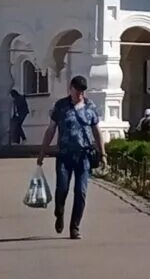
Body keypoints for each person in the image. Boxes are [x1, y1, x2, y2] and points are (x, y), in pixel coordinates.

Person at [36, 75, 103, 238]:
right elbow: (51, 130)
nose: (80, 93)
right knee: (62, 189)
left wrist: (103, 153)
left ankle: (75, 227)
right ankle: (59, 213)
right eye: (77, 90)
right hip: (64, 155)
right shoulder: (61, 106)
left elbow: (96, 130)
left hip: (84, 156)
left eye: (82, 91)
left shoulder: (90, 107)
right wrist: (42, 152)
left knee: (81, 192)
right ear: (70, 89)